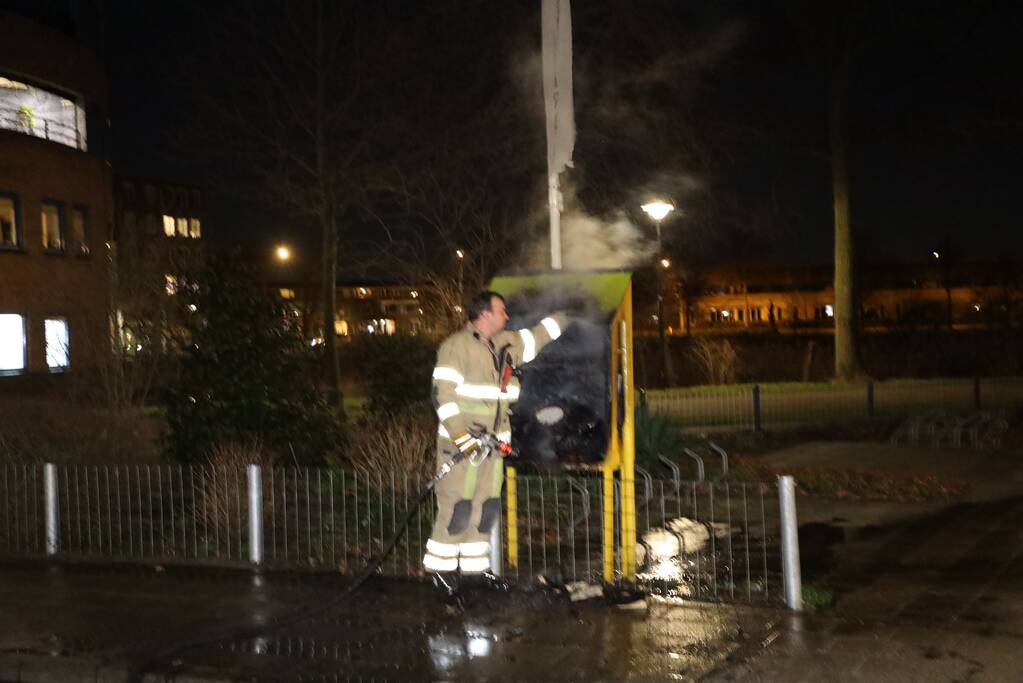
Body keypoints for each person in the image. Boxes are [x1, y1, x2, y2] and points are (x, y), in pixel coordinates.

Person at [423, 291, 567, 596]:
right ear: (484, 314)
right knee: (458, 507)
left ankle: (476, 571)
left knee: (485, 507)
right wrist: (463, 439)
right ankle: (441, 571)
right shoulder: (456, 347)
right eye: (501, 311)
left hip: (492, 449)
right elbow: (443, 397)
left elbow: (538, 337)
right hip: (462, 449)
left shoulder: (506, 343)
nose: (507, 316)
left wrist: (567, 316)